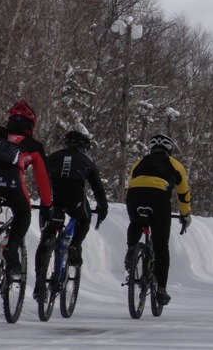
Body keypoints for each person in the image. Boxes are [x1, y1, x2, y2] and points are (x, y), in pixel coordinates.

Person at [0, 100, 53, 275]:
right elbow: (43, 179)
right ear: (31, 125)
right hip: (10, 181)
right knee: (23, 213)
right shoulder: (33, 145)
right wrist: (47, 205)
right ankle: (10, 248)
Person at [34, 130, 108, 296]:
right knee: (84, 217)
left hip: (53, 195)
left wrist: (45, 203)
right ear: (84, 147)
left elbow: (40, 178)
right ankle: (75, 245)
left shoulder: (53, 156)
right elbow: (97, 187)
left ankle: (40, 283)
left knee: (46, 239)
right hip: (75, 195)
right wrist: (103, 208)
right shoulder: (86, 160)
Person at [124, 134, 192, 306]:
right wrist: (185, 215)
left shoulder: (140, 162)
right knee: (161, 247)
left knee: (136, 222)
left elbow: (131, 182)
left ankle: (132, 249)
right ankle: (161, 289)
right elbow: (184, 194)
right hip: (159, 198)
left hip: (135, 196)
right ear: (169, 150)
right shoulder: (176, 165)